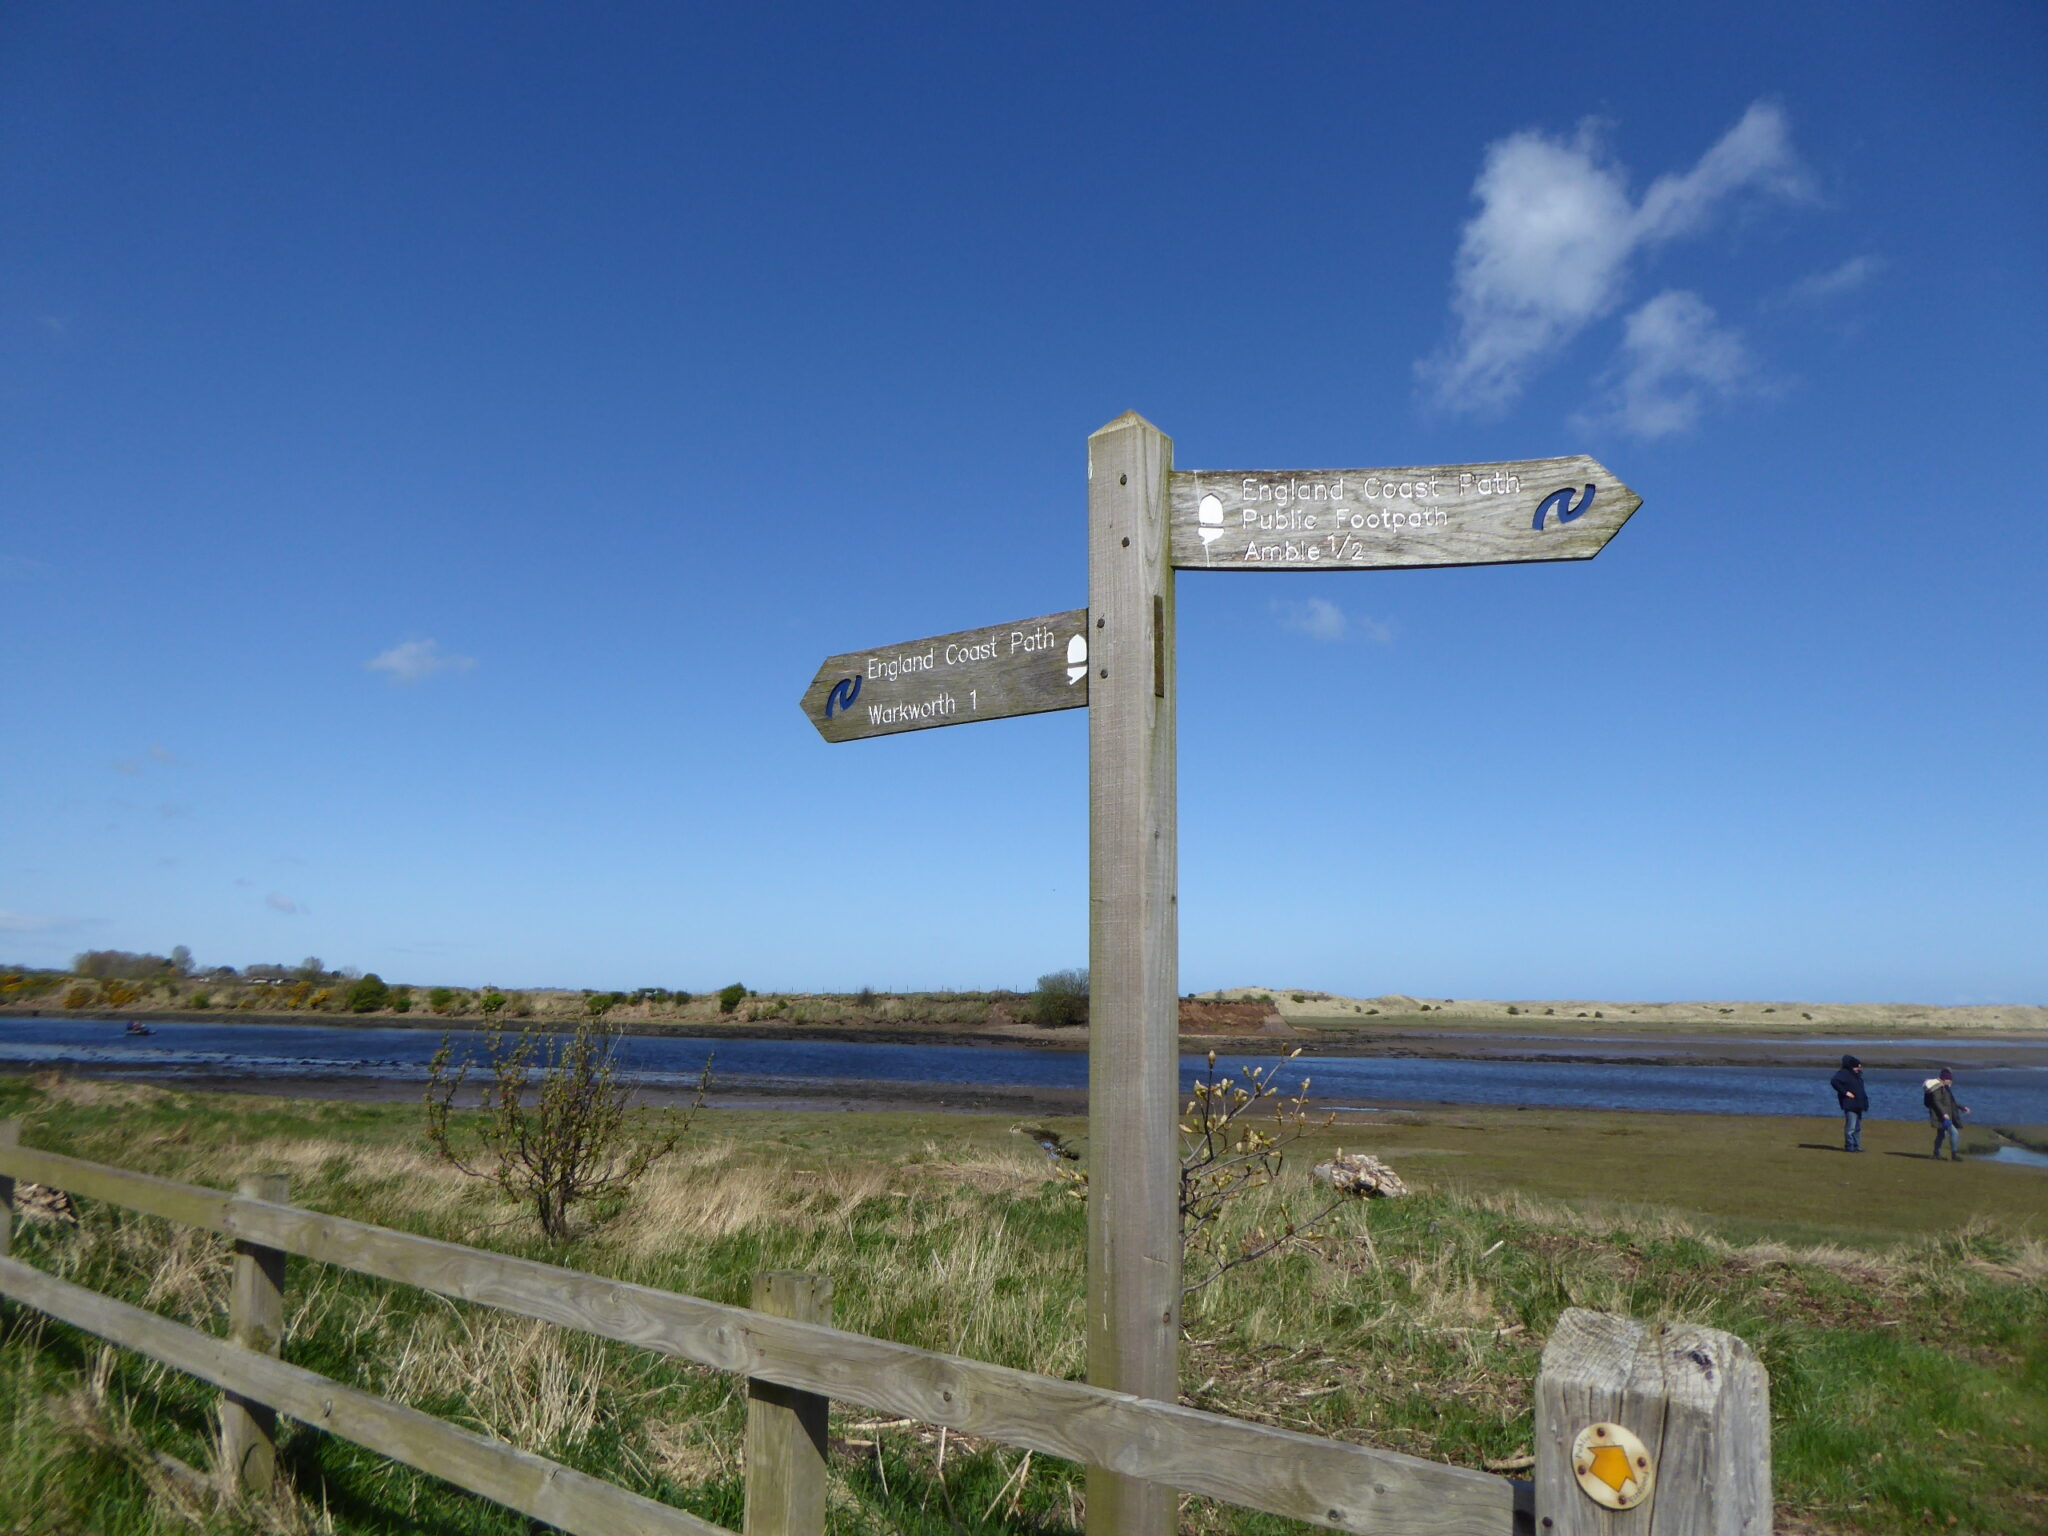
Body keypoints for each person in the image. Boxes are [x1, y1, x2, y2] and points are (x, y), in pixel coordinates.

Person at [1923, 1068, 1968, 1161]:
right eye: (1949, 1079)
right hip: (1941, 1117)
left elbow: (1951, 1102)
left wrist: (1962, 1108)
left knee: (1941, 1135)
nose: (1951, 1081)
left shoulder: (1945, 1088)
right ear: (1945, 1079)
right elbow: (1936, 1102)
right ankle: (1954, 1155)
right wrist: (1944, 1114)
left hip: (1945, 1116)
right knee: (1954, 1133)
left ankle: (1936, 1154)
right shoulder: (1938, 1089)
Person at [1829, 1054, 1869, 1152]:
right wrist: (1846, 1093)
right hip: (1850, 1104)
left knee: (1857, 1128)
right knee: (1851, 1127)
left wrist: (1865, 1104)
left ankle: (1857, 1146)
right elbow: (1834, 1081)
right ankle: (1850, 1146)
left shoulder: (1857, 1076)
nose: (1858, 1069)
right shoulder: (1844, 1073)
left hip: (1858, 1104)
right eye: (1857, 1067)